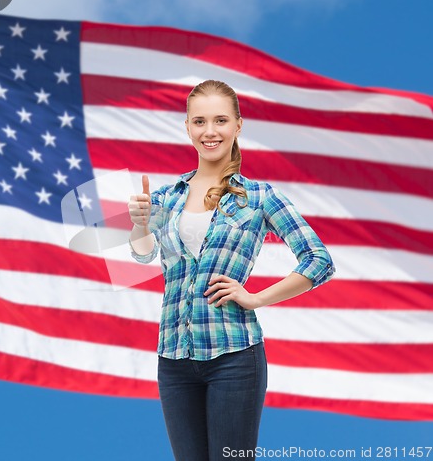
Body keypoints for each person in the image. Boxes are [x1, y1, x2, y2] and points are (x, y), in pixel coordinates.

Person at [127, 80, 335, 461]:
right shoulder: (165, 198)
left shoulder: (259, 197)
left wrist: (254, 298)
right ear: (187, 127)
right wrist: (140, 224)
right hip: (173, 359)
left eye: (220, 120)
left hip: (234, 357)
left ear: (238, 125)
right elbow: (143, 257)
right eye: (200, 121)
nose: (210, 131)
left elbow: (319, 260)